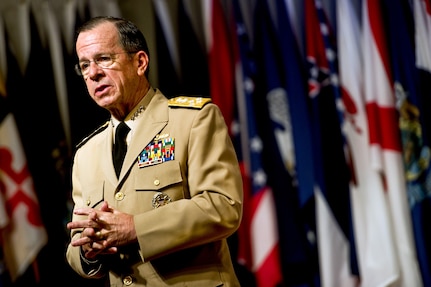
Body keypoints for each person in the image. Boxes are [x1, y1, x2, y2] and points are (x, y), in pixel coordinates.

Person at [66, 16, 243, 287]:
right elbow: (75, 246)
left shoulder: (193, 120)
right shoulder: (85, 154)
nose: (93, 73)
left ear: (140, 62)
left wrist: (136, 229)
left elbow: (223, 207)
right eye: (84, 65)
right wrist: (88, 251)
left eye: (104, 59)